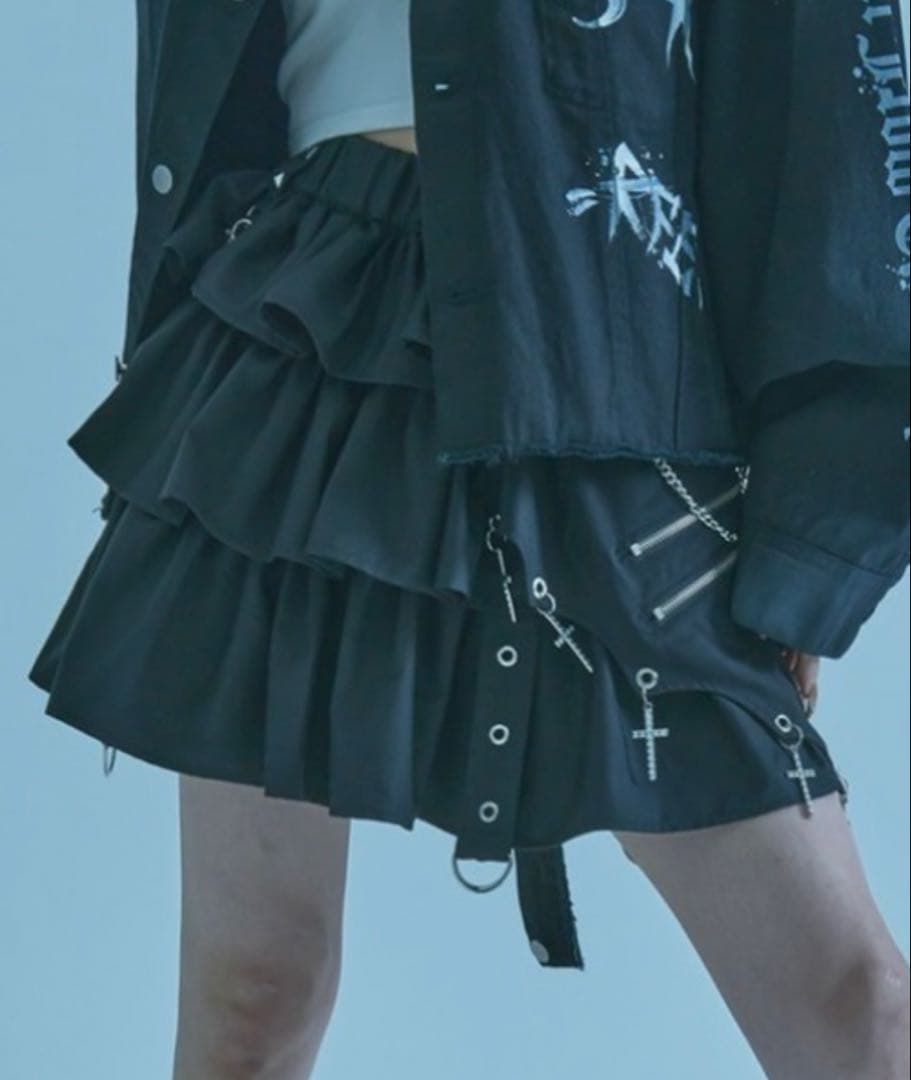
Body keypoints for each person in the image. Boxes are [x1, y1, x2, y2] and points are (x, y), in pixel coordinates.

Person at [27, 1, 910, 1076]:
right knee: (251, 991)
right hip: (307, 315)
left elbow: (825, 99)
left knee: (851, 1003)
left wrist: (816, 517)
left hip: (599, 329)